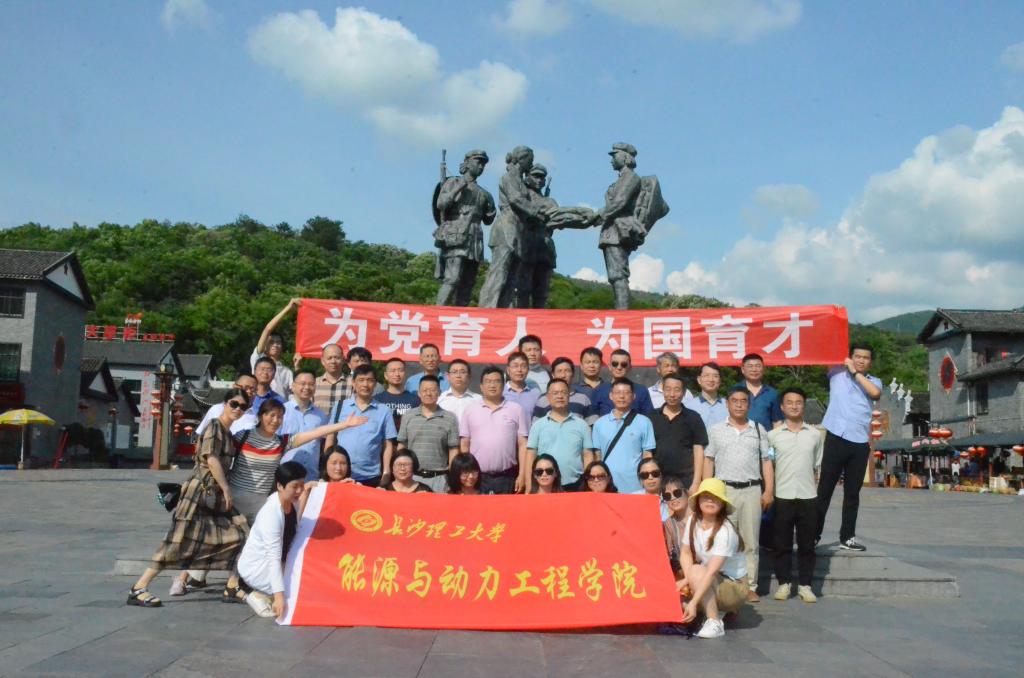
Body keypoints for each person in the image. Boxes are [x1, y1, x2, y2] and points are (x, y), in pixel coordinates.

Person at [130, 388, 252, 608]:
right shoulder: (214, 426)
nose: (238, 409)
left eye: (243, 407)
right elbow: (211, 458)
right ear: (224, 404)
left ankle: (232, 585)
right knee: (176, 541)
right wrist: (226, 488)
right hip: (199, 493)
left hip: (213, 495)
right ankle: (139, 587)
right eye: (234, 404)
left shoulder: (227, 432)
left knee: (240, 535)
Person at [703, 386, 773, 602]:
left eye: (743, 401)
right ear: (727, 404)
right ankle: (723, 583)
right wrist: (707, 489)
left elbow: (766, 461)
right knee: (723, 539)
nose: (739, 405)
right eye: (735, 401)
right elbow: (709, 460)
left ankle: (750, 585)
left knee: (750, 541)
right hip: (724, 491)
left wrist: (769, 490)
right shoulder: (716, 430)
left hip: (751, 490)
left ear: (749, 405)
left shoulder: (758, 429)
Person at [817, 343, 883, 552]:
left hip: (859, 442)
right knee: (824, 490)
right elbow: (824, 352)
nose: (861, 360)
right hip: (836, 437)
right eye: (857, 356)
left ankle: (847, 537)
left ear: (870, 361)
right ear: (850, 357)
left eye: (865, 357)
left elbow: (875, 394)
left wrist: (855, 373)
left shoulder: (873, 381)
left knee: (852, 493)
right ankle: (812, 535)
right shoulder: (836, 374)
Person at [768, 387, 823, 603]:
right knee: (781, 544)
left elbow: (816, 465)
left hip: (808, 496)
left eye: (798, 402)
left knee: (807, 544)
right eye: (789, 402)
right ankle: (784, 584)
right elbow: (769, 464)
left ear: (804, 406)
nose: (794, 406)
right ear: (782, 407)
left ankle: (805, 585)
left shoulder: (815, 435)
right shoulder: (773, 436)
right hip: (782, 495)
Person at [678, 478, 749, 639]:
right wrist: (688, 580)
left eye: (715, 497)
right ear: (698, 500)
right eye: (705, 496)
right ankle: (709, 608)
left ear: (722, 503)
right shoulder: (693, 520)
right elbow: (685, 553)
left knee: (696, 573)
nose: (710, 501)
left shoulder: (726, 531)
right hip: (708, 577)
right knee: (677, 592)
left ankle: (714, 621)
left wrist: (693, 602)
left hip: (732, 585)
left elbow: (711, 572)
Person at [479, 146, 550, 308]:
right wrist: (536, 212)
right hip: (506, 227)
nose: (531, 165)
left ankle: (503, 311)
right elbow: (515, 199)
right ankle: (487, 309)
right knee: (499, 274)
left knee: (511, 277)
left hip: (517, 230)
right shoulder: (508, 177)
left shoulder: (520, 181)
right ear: (521, 159)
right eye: (530, 161)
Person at [236, 461, 306, 619]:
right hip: (259, 568)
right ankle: (254, 593)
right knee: (297, 592)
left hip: (281, 562)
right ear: (280, 486)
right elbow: (273, 557)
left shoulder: (291, 503)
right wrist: (279, 597)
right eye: (295, 486)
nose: (299, 491)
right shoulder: (271, 514)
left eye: (302, 485)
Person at [434, 149, 496, 307]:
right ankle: (438, 312)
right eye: (478, 162)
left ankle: (461, 314)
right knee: (452, 278)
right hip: (456, 234)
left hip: (475, 238)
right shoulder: (453, 182)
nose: (481, 166)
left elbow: (488, 220)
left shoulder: (485, 194)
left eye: (483, 164)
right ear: (467, 163)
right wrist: (458, 188)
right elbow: (441, 204)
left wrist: (492, 208)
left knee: (468, 283)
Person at [459, 366, 529, 494]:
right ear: (481, 386)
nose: (492, 385)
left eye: (497, 381)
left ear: (503, 385)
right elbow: (464, 444)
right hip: (477, 477)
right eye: (488, 381)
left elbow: (523, 444)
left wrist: (522, 475)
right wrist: (466, 473)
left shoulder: (516, 409)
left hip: (508, 476)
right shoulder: (470, 410)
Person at [327, 365, 397, 487]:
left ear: (375, 384)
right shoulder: (340, 406)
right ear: (353, 383)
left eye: (370, 380)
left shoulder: (384, 410)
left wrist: (386, 472)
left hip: (371, 476)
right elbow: (330, 438)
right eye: (361, 380)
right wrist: (327, 466)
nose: (365, 384)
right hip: (341, 473)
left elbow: (388, 444)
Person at [527, 379, 595, 490]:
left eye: (563, 392)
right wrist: (529, 486)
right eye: (555, 393)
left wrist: (588, 484)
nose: (560, 396)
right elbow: (531, 455)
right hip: (546, 485)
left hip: (576, 484)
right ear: (548, 397)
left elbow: (588, 455)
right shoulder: (538, 425)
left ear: (569, 396)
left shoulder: (582, 424)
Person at [591, 378, 656, 494]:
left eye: (626, 393)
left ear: (633, 396)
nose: (622, 396)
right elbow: (597, 456)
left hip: (635, 485)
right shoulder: (599, 424)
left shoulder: (644, 422)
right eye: (618, 393)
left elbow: (647, 454)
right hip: (608, 484)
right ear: (611, 396)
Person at [397, 375, 460, 493]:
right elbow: (402, 446)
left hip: (439, 478)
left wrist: (452, 478)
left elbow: (453, 450)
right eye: (425, 390)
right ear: (419, 393)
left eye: (432, 390)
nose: (428, 393)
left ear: (439, 392)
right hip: (412, 478)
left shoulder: (450, 418)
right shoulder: (408, 416)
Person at [651, 372, 709, 496]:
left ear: (683, 392)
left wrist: (696, 482)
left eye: (677, 390)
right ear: (663, 391)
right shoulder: (651, 417)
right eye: (668, 389)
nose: (672, 394)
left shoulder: (693, 418)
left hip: (685, 481)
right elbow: (647, 451)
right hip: (658, 480)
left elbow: (699, 450)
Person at [279, 370, 328, 482]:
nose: (307, 387)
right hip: (285, 476)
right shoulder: (281, 411)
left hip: (311, 476)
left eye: (311, 384)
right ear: (293, 386)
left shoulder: (321, 415)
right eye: (303, 383)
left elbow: (322, 446)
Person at [251, 298, 297, 397]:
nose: (275, 345)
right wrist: (288, 308)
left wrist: (297, 366)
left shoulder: (287, 372)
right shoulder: (257, 360)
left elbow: (294, 394)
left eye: (278, 342)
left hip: (279, 406)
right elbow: (267, 330)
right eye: (271, 342)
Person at [591, 349, 654, 416]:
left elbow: (649, 416)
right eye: (615, 364)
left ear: (630, 367)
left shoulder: (641, 390)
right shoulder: (599, 390)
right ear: (610, 367)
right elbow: (593, 417)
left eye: (624, 364)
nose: (619, 367)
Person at [532, 357, 594, 422]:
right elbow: (536, 425)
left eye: (567, 371)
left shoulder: (583, 399)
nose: (563, 375)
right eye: (559, 371)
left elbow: (590, 424)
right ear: (553, 375)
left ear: (573, 374)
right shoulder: (543, 399)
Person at [298, 446, 355, 516]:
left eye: (343, 463)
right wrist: (306, 491)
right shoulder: (314, 487)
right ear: (325, 465)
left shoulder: (354, 486)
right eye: (334, 463)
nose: (338, 468)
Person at [735, 353, 782, 431]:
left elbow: (777, 421)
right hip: (740, 436)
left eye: (758, 366)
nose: (754, 370)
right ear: (743, 369)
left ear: (763, 369)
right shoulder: (735, 390)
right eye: (750, 366)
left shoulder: (772, 393)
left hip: (765, 437)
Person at [374, 357, 420, 429]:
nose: (397, 374)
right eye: (392, 371)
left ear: (405, 373)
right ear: (385, 375)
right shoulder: (377, 400)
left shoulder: (415, 400)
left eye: (400, 370)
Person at [503, 351, 541, 434]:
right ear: (508, 370)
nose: (519, 370)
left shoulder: (535, 392)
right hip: (506, 439)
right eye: (515, 366)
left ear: (528, 370)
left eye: (523, 366)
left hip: (528, 439)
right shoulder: (501, 392)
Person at [661, 475, 690, 578]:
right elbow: (670, 555)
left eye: (677, 493)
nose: (673, 498)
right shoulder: (668, 523)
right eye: (667, 496)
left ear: (687, 492)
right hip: (684, 572)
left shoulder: (701, 516)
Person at [686, 362, 728, 431]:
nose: (711, 379)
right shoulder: (688, 407)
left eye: (715, 376)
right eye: (706, 375)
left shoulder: (728, 406)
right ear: (699, 380)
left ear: (720, 381)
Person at [313, 344, 349, 415]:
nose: (333, 361)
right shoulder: (314, 383)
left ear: (343, 359)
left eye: (337, 358)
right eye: (329, 358)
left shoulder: (353, 383)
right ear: (322, 361)